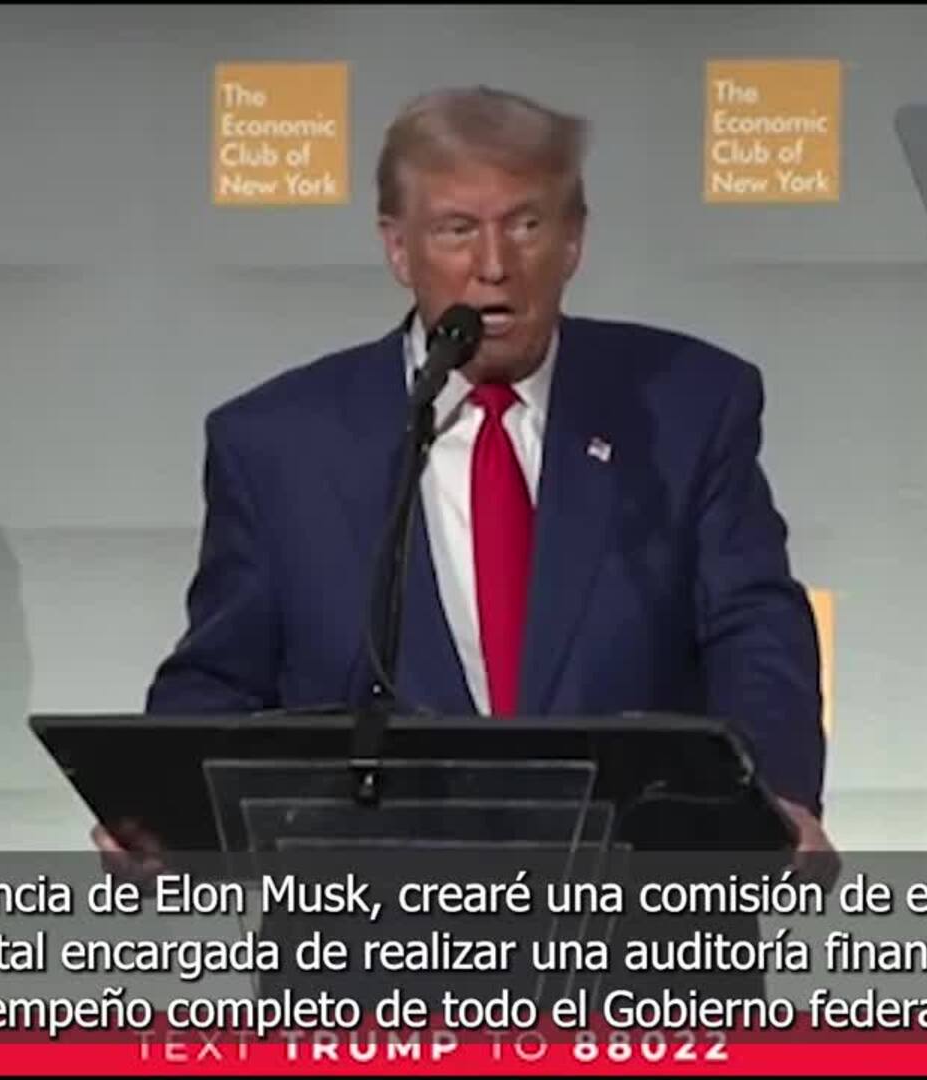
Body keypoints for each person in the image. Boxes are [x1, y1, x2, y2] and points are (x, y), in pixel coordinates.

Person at [97, 86, 832, 871]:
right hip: (370, 914)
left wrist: (777, 798)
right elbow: (223, 673)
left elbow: (753, 626)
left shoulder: (686, 405)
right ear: (398, 249)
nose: (494, 267)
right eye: (457, 230)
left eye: (526, 224)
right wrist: (161, 809)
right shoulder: (278, 443)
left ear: (574, 240)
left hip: (634, 904)